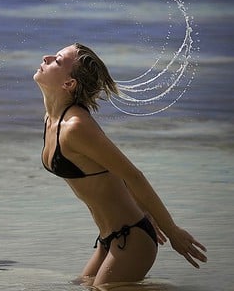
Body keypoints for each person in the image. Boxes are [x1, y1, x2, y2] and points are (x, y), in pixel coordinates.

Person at [33, 43, 207, 287]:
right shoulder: (51, 119)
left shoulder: (76, 127)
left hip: (132, 240)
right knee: (79, 286)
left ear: (69, 84)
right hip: (109, 238)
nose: (46, 56)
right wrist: (141, 207)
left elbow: (133, 175)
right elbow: (109, 171)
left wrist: (173, 231)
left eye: (58, 60)